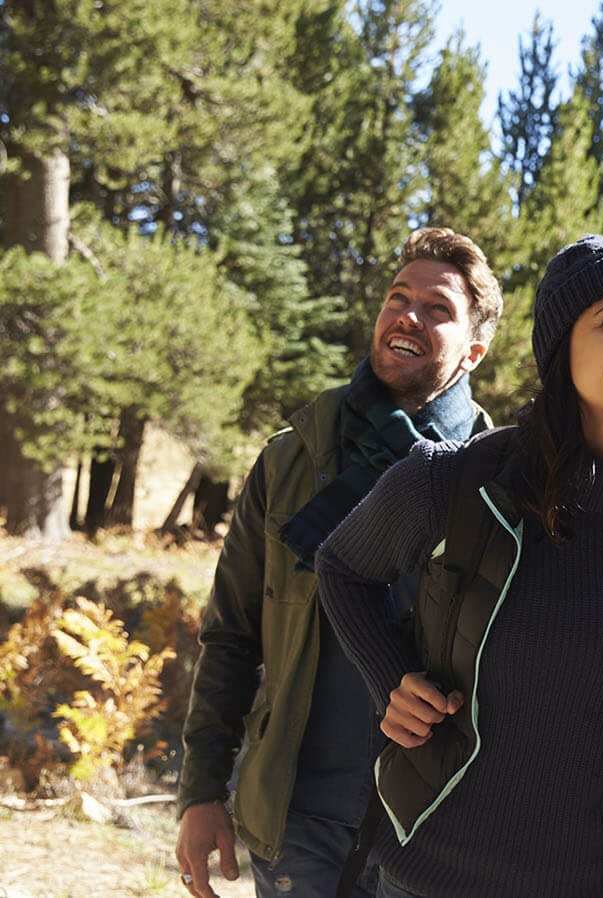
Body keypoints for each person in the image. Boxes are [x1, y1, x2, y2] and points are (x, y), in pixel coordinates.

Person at [313, 235, 603, 898]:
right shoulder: (454, 479)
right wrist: (392, 679)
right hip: (441, 873)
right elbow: (340, 567)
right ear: (561, 350)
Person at [174, 228, 502, 898]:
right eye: (396, 298)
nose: (406, 316)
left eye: (437, 309)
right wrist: (202, 790)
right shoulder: (293, 457)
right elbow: (232, 636)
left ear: (474, 348)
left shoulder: (499, 482)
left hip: (433, 827)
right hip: (301, 818)